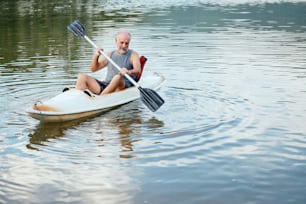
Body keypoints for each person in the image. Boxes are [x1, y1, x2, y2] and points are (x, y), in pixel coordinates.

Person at [75, 31, 141, 95]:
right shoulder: (110, 54)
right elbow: (94, 69)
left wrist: (128, 72)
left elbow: (137, 70)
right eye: (122, 43)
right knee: (82, 77)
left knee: (118, 77)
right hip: (106, 85)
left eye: (127, 43)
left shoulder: (133, 55)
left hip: (121, 87)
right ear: (116, 41)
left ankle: (100, 99)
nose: (124, 46)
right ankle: (79, 97)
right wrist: (96, 55)